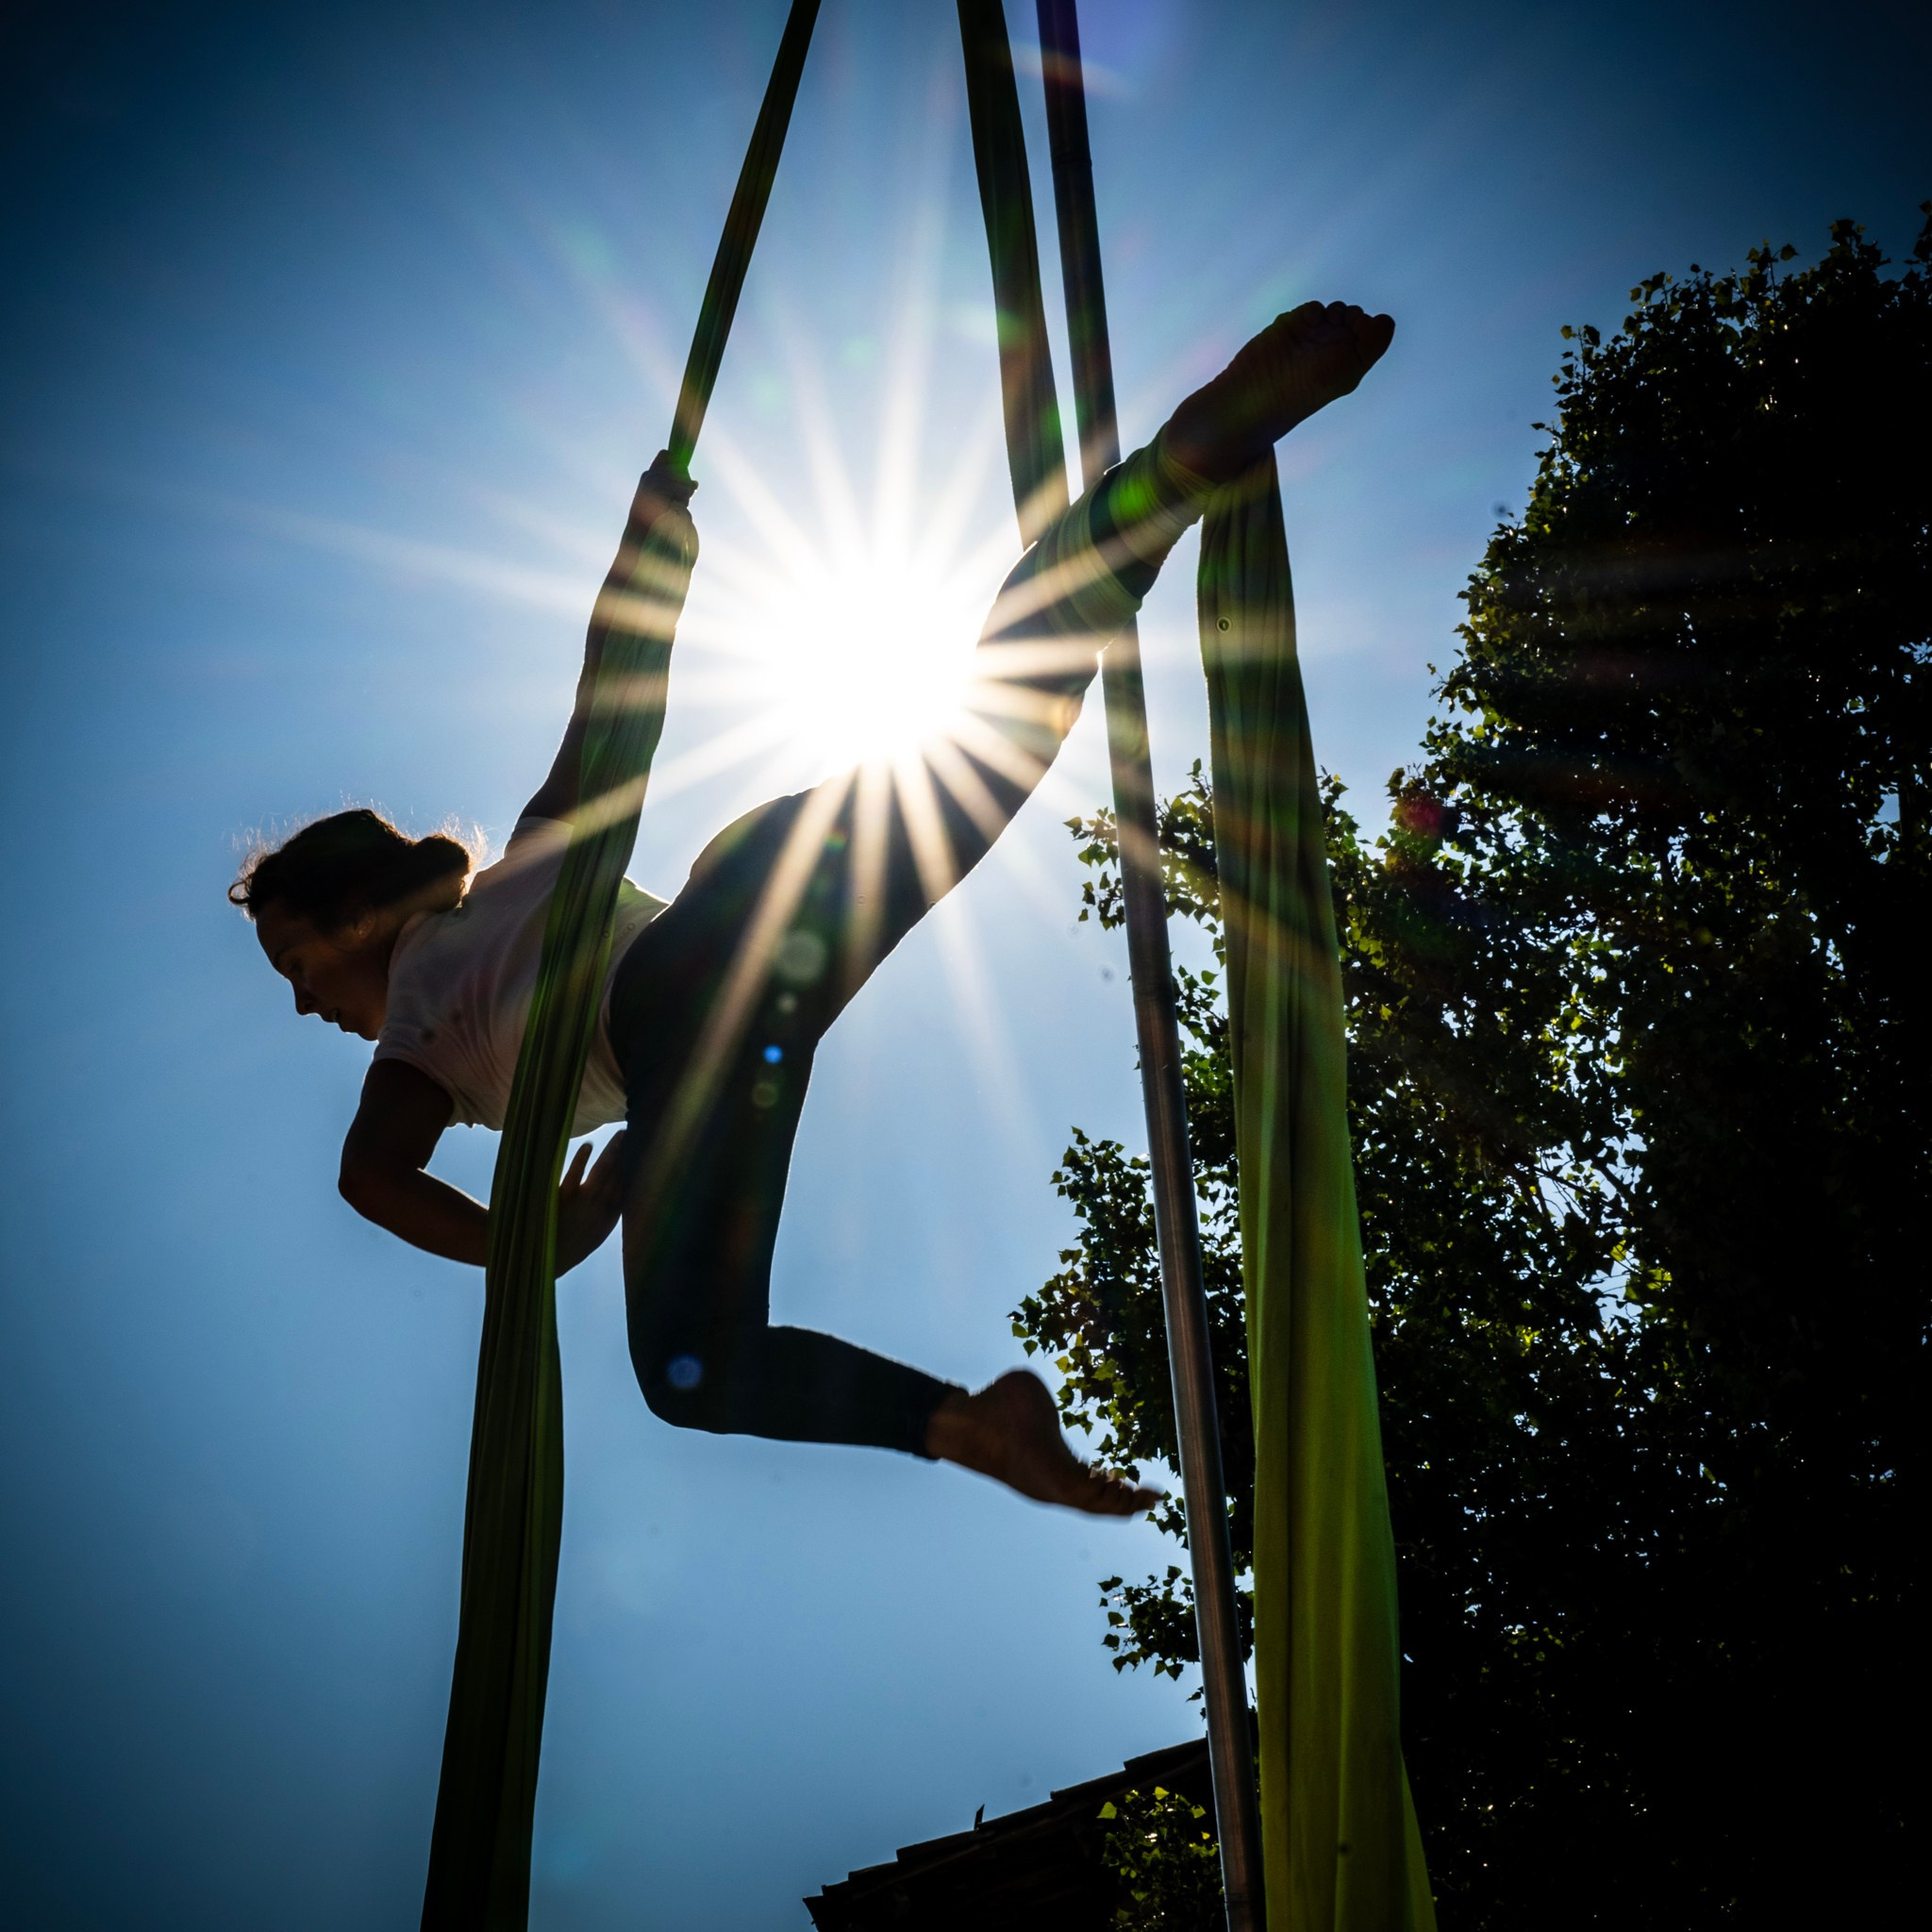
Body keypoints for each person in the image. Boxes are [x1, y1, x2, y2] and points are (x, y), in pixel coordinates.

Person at [233, 301, 1394, 1515]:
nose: (304, 1001)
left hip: (693, 994)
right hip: (753, 910)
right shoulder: (520, 873)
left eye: (293, 961)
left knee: (691, 1371)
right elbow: (607, 712)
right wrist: (650, 567)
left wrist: (539, 1244)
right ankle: (1164, 482)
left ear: (356, 915)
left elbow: (371, 1178)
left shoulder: (419, 1023)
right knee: (984, 733)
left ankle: (959, 1424)